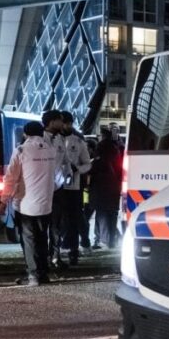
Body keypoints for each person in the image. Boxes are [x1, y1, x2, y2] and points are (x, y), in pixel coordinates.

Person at [0, 121, 58, 287]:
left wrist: (4, 200)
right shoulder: (50, 149)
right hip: (46, 203)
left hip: (25, 204)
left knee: (28, 240)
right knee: (42, 239)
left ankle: (32, 275)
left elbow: (10, 177)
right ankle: (43, 273)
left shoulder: (21, 150)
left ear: (25, 134)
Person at [58, 112, 91, 266]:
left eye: (68, 123)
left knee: (74, 219)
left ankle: (74, 250)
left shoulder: (78, 141)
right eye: (64, 123)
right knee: (58, 219)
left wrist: (77, 169)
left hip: (73, 187)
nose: (66, 126)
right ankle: (57, 250)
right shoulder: (53, 139)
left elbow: (87, 164)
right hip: (56, 186)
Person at [41, 110, 71, 270]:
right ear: (52, 122)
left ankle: (55, 256)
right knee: (42, 225)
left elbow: (65, 160)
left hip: (58, 189)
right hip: (42, 189)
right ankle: (42, 257)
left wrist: (68, 175)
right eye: (60, 121)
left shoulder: (60, 139)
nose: (63, 124)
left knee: (56, 225)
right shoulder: (39, 139)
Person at [91, 127, 123, 249]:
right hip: (114, 186)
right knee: (112, 213)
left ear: (103, 136)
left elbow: (97, 165)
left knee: (102, 213)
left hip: (101, 186)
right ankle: (112, 240)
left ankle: (104, 240)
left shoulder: (101, 147)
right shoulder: (117, 147)